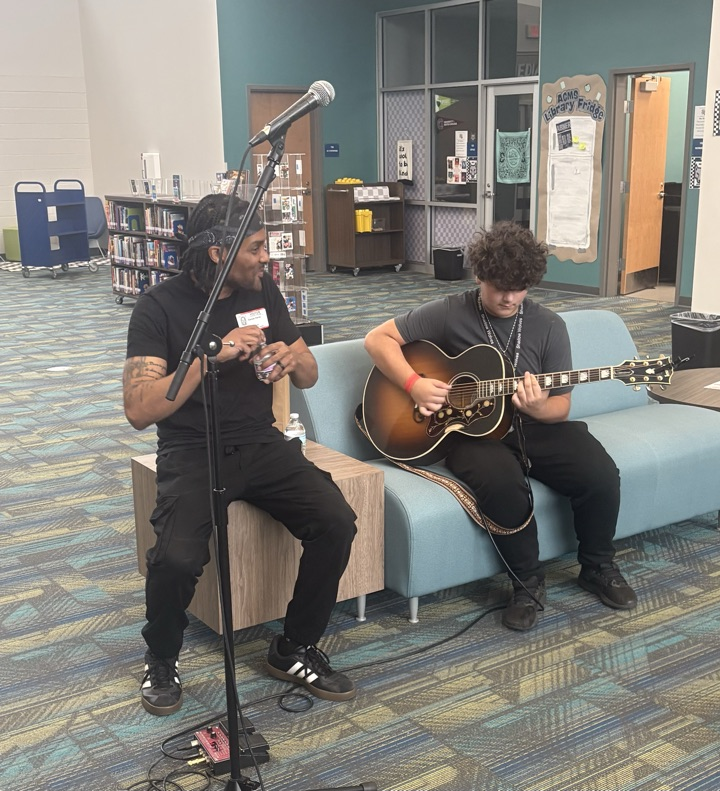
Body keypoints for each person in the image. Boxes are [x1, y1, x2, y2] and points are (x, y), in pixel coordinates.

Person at [123, 193, 357, 715]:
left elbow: (310, 374)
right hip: (191, 447)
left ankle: (292, 646)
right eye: (254, 248)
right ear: (218, 253)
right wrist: (213, 354)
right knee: (177, 558)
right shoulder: (158, 307)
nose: (265, 259)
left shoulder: (265, 289)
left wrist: (289, 357)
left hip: (260, 441)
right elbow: (139, 409)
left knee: (336, 520)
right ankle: (161, 656)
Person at [364, 221, 636, 632]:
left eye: (519, 288)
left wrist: (540, 406)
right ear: (479, 277)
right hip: (469, 431)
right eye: (498, 287)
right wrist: (414, 384)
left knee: (601, 473)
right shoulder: (449, 311)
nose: (509, 298)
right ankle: (526, 584)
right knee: (503, 486)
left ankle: (598, 566)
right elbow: (377, 339)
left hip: (533, 426)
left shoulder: (549, 327)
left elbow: (561, 407)